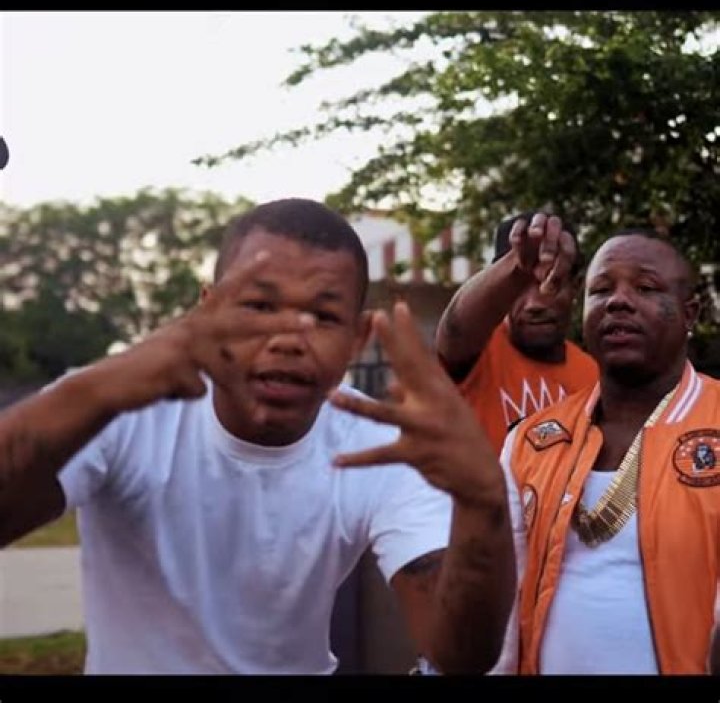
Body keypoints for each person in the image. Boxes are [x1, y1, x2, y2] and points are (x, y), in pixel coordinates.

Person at [0, 198, 515, 675]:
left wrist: (483, 504)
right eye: (259, 307)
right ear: (207, 311)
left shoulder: (381, 446)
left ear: (357, 339)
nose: (288, 338)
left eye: (323, 316)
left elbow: (458, 656)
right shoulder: (119, 407)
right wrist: (89, 392)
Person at [494, 227, 720, 674]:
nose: (618, 301)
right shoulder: (529, 442)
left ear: (689, 313)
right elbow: (502, 610)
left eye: (646, 288)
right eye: (601, 290)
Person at [436, 212, 598, 456]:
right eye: (520, 287)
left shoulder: (593, 377)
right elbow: (455, 328)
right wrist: (516, 264)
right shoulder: (479, 353)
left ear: (575, 286)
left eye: (550, 283)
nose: (534, 304)